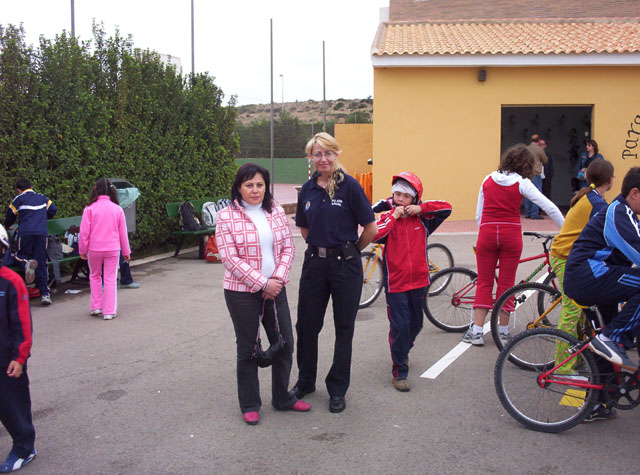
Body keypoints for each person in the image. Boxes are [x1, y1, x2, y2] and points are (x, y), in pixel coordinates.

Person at [216, 163, 310, 425]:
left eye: (259, 184)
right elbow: (229, 258)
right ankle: (249, 403)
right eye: (249, 185)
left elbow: (288, 248)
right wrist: (262, 283)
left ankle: (283, 398)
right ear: (238, 188)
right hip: (241, 293)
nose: (255, 190)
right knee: (248, 348)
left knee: (285, 342)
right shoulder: (226, 217)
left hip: (275, 289)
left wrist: (277, 279)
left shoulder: (276, 210)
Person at [293, 132, 376, 413]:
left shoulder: (350, 187)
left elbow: (371, 229)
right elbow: (305, 229)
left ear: (336, 154)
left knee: (344, 328)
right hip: (315, 265)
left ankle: (337, 388)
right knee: (306, 326)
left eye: (328, 153)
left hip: (345, 266)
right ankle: (305, 381)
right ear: (311, 158)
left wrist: (350, 249)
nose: (323, 158)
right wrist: (321, 248)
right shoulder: (307, 190)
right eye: (317, 154)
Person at [462, 143, 564, 346]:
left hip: (488, 233)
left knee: (484, 281)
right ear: (525, 165)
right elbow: (549, 207)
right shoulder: (522, 183)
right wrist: (565, 228)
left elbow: (478, 214)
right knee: (507, 283)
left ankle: (476, 331)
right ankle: (503, 331)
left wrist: (484, 231)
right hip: (510, 234)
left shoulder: (488, 178)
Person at [550, 159, 616, 422]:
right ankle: (562, 366)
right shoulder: (597, 203)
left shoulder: (588, 196)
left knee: (580, 310)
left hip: (568, 255)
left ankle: (574, 358)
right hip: (567, 258)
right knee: (572, 309)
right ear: (610, 180)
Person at [372, 172, 451, 391]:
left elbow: (447, 207)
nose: (399, 199)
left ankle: (403, 350)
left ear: (414, 198)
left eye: (405, 196)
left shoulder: (424, 220)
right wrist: (393, 214)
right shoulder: (389, 219)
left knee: (416, 324)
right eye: (396, 194)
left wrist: (421, 209)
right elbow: (375, 235)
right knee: (400, 326)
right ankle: (399, 371)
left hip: (419, 282)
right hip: (396, 284)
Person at [564, 167, 640, 374]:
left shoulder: (627, 214)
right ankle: (612, 337)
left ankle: (602, 402)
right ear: (634, 193)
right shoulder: (618, 213)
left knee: (605, 351)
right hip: (588, 276)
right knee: (609, 338)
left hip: (593, 277)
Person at [0, 224, 37, 473]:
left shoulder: (11, 282)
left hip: (8, 361)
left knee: (12, 407)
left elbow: (23, 324)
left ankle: (25, 448)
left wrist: (20, 357)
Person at [78, 178, 131, 321]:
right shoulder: (118, 209)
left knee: (94, 276)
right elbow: (123, 233)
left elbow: (84, 232)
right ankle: (109, 311)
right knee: (110, 278)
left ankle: (96, 306)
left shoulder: (89, 209)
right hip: (113, 249)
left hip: (94, 249)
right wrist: (126, 252)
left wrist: (82, 250)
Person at [3, 178, 57, 305]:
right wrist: (43, 218)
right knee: (42, 260)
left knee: (20, 255)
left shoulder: (19, 199)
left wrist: (7, 225)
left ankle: (27, 263)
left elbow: (10, 215)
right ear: (32, 187)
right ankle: (45, 294)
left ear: (18, 190)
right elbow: (53, 209)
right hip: (41, 233)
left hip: (25, 233)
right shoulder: (43, 198)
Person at [523, 134, 548, 220]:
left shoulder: (526, 149)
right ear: (538, 141)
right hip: (536, 173)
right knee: (536, 193)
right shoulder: (539, 149)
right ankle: (534, 213)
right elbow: (545, 160)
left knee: (527, 193)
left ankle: (527, 213)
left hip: (526, 173)